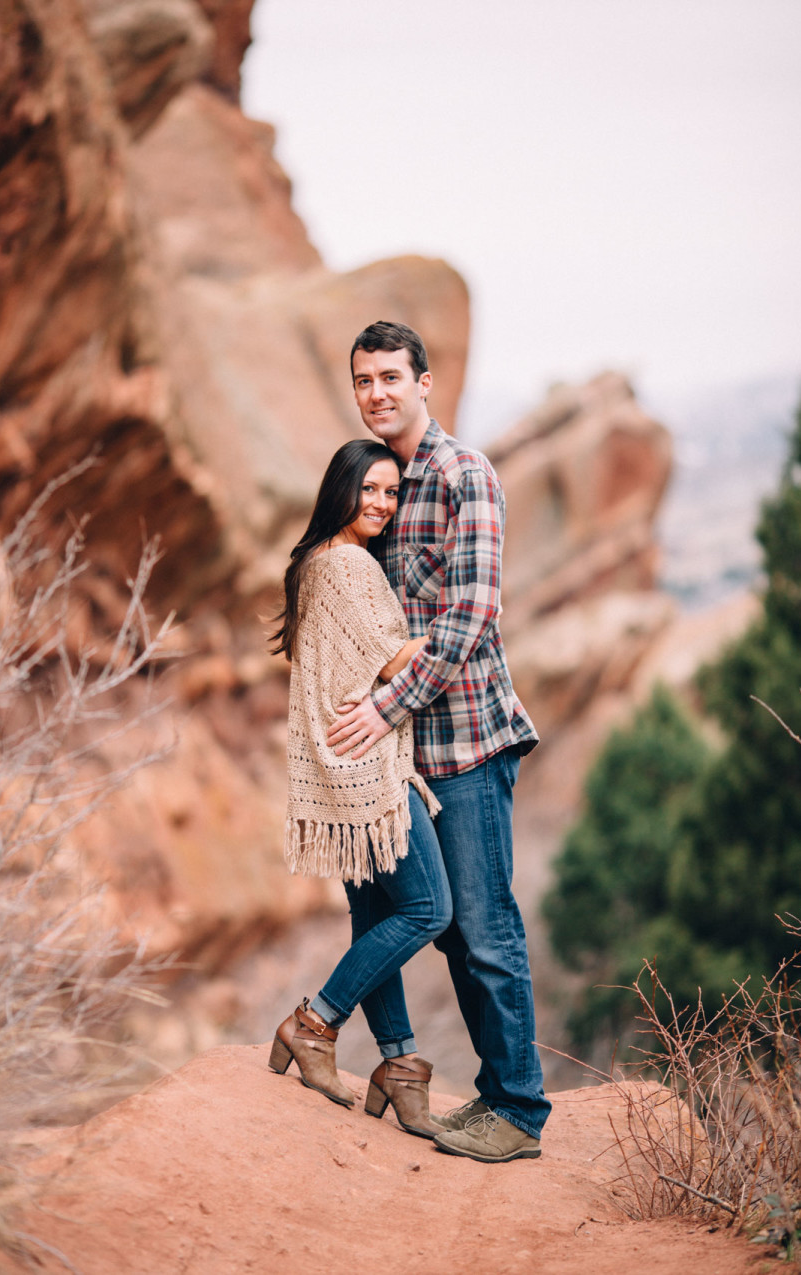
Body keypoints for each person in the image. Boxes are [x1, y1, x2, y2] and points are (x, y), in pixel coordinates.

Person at [327, 320, 552, 1163]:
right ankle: (494, 1097)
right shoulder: (376, 483)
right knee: (449, 929)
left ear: (426, 380)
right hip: (406, 754)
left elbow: (468, 620)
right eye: (364, 379)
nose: (377, 391)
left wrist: (387, 709)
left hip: (467, 741)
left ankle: (519, 1109)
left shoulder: (466, 474)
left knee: (486, 925)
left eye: (391, 376)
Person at [268, 439, 452, 1138]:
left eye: (390, 492)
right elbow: (396, 657)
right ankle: (315, 1021)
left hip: (337, 771)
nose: (380, 502)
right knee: (429, 908)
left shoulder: (317, 562)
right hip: (368, 770)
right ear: (341, 490)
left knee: (378, 921)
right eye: (368, 489)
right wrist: (464, 630)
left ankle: (400, 1066)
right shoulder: (347, 564)